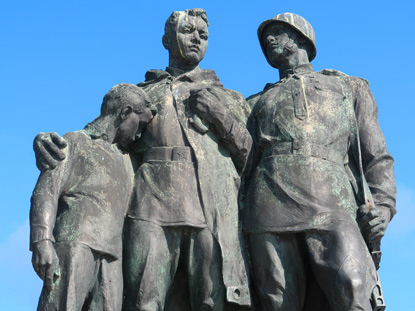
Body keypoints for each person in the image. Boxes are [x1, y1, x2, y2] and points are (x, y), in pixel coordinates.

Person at [33, 9, 252, 311]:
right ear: (166, 40)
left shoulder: (229, 98)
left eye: (203, 35)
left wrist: (221, 116)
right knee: (144, 300)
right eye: (188, 31)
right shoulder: (142, 94)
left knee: (211, 300)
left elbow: (251, 157)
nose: (196, 39)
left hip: (210, 206)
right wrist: (48, 141)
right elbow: (99, 136)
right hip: (150, 205)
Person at [242, 13, 396, 311]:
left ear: (300, 37)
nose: (268, 41)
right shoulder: (254, 103)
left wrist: (385, 205)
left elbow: (376, 155)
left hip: (331, 201)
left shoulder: (348, 88)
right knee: (278, 299)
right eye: (265, 39)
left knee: (351, 286)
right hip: (267, 204)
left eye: (276, 33)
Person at [30, 83, 156, 311]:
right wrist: (42, 241)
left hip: (112, 258)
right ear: (125, 112)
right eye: (140, 125)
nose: (139, 134)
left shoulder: (128, 160)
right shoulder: (75, 142)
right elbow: (46, 192)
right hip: (76, 245)